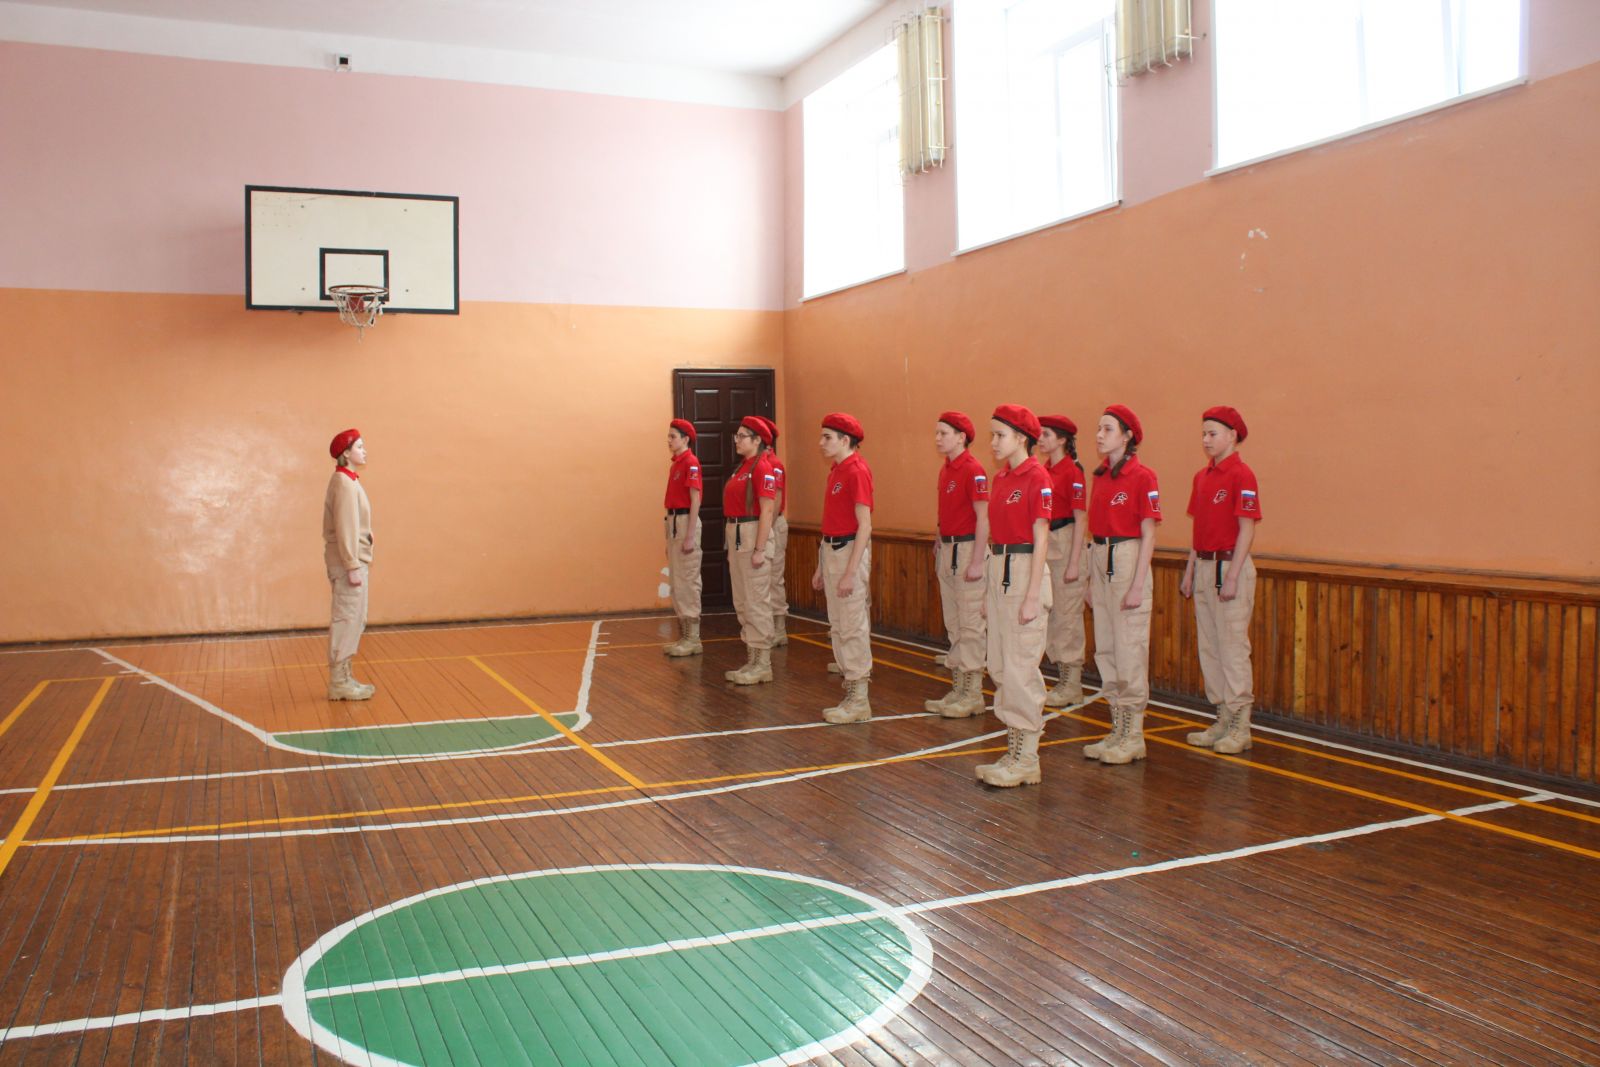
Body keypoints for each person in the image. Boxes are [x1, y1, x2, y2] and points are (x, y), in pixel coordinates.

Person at [975, 405, 1054, 787]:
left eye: (999, 435)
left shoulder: (1037, 477)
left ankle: (1027, 760)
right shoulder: (1002, 477)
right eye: (991, 434)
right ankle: (1014, 751)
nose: (992, 442)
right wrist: (988, 593)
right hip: (999, 569)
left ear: (1021, 438)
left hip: (1024, 572)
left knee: (1021, 669)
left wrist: (1032, 594)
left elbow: (1042, 538)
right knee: (1002, 667)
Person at [1181, 406, 1262, 754]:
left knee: (1232, 647)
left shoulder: (1242, 475)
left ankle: (1241, 725)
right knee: (1210, 647)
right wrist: (1189, 571)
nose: (1206, 440)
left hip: (1229, 567)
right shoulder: (1202, 477)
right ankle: (1223, 718)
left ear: (1232, 435)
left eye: (1212, 434)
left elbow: (1247, 528)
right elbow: (1198, 530)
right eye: (1203, 434)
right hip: (1203, 565)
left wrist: (1232, 575)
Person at [1083, 405, 1161, 765]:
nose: (1099, 435)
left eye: (1108, 429)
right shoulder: (1100, 476)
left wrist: (1137, 584)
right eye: (1098, 428)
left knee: (1129, 650)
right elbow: (1093, 532)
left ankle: (1133, 735)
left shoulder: (1143, 476)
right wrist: (1091, 578)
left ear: (1127, 436)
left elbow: (1149, 534)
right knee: (1107, 649)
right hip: (1101, 557)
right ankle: (1117, 728)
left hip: (1128, 559)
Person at [925, 411, 989, 719]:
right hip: (948, 549)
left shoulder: (973, 470)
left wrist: (977, 560)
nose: (938, 438)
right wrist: (939, 535)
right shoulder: (945, 470)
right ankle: (959, 687)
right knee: (954, 623)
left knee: (970, 624)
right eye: (936, 433)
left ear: (961, 437)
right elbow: (946, 510)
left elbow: (984, 518)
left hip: (967, 550)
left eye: (944, 433)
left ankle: (973, 693)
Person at [812, 413, 874, 723]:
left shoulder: (857, 471)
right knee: (838, 625)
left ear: (845, 440)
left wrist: (850, 572)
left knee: (852, 626)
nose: (821, 443)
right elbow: (831, 524)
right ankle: (850, 691)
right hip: (832, 551)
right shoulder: (836, 471)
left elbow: (865, 525)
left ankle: (859, 699)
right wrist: (821, 566)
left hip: (850, 551)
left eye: (827, 437)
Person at [1036, 414, 1089, 707]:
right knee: (1053, 614)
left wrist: (1074, 561)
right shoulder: (1044, 470)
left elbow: (1081, 518)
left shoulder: (1072, 471)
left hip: (1067, 541)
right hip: (1048, 540)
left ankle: (1072, 684)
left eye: (1046, 434)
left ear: (1062, 439)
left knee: (1067, 616)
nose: (1040, 439)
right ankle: (1061, 678)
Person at [724, 416, 779, 685]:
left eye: (742, 436)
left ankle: (763, 664)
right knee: (743, 601)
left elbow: (767, 510)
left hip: (752, 534)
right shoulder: (742, 467)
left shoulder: (762, 467)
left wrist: (760, 548)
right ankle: (752, 659)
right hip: (737, 535)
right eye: (737, 435)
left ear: (757, 440)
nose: (737, 440)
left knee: (757, 601)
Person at [324, 428, 376, 701]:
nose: (364, 451)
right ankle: (339, 682)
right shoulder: (343, 483)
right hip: (349, 564)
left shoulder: (349, 480)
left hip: (354, 560)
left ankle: (345, 677)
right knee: (347, 619)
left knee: (355, 618)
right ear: (346, 452)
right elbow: (345, 528)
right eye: (359, 447)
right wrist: (351, 564)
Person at [662, 418, 704, 657]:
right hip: (673, 521)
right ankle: (685, 635)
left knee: (688, 579)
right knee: (677, 581)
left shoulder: (691, 462)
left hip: (686, 520)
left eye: (673, 437)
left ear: (686, 439)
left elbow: (695, 499)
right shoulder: (676, 464)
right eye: (668, 436)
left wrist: (690, 535)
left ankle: (693, 638)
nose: (669, 441)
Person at [755, 417, 791, 649]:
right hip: (763, 525)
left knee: (774, 576)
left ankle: (779, 628)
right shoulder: (756, 463)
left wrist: (766, 529)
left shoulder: (774, 464)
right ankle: (765, 626)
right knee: (762, 578)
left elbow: (775, 501)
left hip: (773, 524)